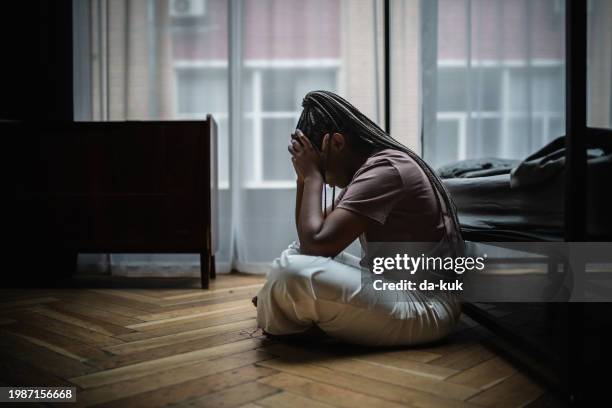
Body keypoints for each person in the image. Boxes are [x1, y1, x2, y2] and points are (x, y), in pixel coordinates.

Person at [253, 90, 464, 346]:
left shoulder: (388, 169)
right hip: (390, 286)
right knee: (296, 255)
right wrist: (302, 179)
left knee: (291, 273)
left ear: (338, 144)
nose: (325, 178)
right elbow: (309, 243)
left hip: (425, 306)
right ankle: (286, 308)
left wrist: (311, 177)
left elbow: (318, 243)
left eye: (321, 167)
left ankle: (283, 310)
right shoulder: (372, 169)